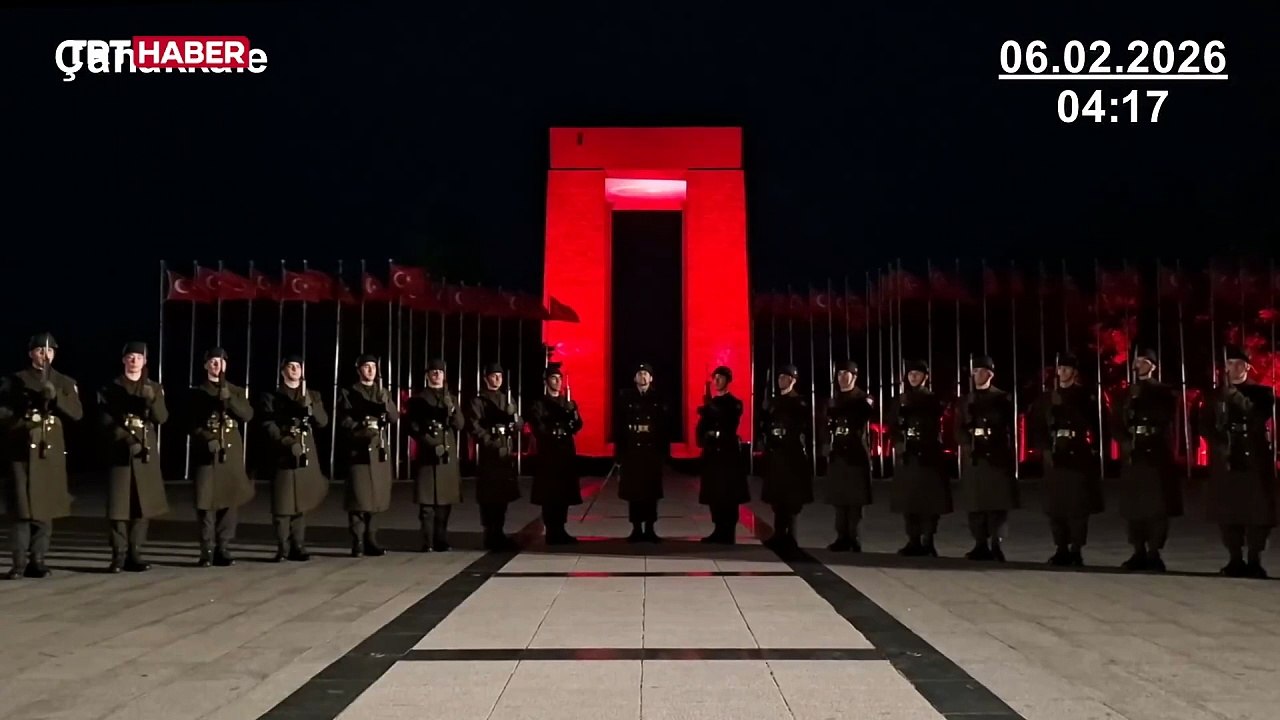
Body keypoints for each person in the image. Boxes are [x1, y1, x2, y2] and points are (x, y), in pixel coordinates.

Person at [0, 332, 83, 579]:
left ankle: (38, 560)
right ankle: (17, 563)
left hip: (50, 452)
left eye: (48, 351)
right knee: (21, 510)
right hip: (22, 451)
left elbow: (77, 414)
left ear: (54, 354)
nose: (44, 355)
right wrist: (23, 416)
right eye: (39, 350)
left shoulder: (65, 381)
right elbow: (2, 414)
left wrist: (56, 397)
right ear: (31, 353)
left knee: (45, 508)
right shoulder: (13, 380)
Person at [1199, 345, 1275, 578]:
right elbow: (1204, 423)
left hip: (1253, 456)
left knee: (1257, 510)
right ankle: (1234, 558)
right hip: (1227, 456)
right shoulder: (1215, 394)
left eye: (1238, 364)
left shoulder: (1262, 392)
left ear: (1247, 367)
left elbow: (1256, 415)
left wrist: (1232, 394)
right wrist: (1218, 443)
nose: (1233, 368)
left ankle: (1254, 559)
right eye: (1229, 364)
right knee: (1228, 511)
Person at [96, 341, 168, 572]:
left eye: (139, 357)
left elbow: (162, 418)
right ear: (124, 360)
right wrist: (125, 438)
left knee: (142, 505)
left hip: (144, 454)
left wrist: (152, 401)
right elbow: (104, 419)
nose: (134, 360)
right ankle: (119, 554)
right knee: (119, 506)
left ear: (145, 361)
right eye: (130, 356)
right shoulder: (110, 387)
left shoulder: (153, 387)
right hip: (121, 452)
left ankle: (135, 552)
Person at [1029, 352, 1103, 567]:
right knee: (1056, 506)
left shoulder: (1084, 396)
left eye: (1066, 368)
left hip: (1077, 453)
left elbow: (1096, 424)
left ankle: (1076, 549)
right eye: (1059, 368)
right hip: (1055, 454)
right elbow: (1037, 428)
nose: (1062, 372)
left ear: (1074, 372)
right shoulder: (1046, 398)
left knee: (1077, 506)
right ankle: (1060, 547)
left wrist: (1093, 449)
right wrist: (1044, 451)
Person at [1112, 349, 1181, 572]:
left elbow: (1164, 416)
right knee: (1135, 506)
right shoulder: (1126, 393)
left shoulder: (1163, 392)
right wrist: (1124, 442)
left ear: (1153, 366)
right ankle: (1138, 550)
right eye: (1137, 361)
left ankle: (1154, 552)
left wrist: (1142, 396)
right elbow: (1117, 422)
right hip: (1134, 452)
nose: (1139, 365)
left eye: (1144, 361)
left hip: (1155, 452)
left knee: (1156, 506)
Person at [188, 347, 254, 567]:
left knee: (229, 500)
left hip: (231, 453)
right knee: (205, 501)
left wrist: (230, 400)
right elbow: (190, 422)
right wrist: (207, 437)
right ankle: (206, 548)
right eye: (213, 361)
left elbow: (247, 415)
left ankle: (223, 546)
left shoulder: (235, 390)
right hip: (207, 453)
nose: (217, 365)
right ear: (206, 365)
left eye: (221, 361)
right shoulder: (197, 392)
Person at [260, 354, 329, 562]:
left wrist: (311, 405)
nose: (294, 370)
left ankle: (298, 545)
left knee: (301, 501)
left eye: (298, 366)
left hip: (305, 451)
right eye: (290, 367)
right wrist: (285, 441)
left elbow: (323, 422)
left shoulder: (312, 394)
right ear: (283, 371)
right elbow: (267, 423)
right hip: (284, 451)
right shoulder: (272, 396)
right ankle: (282, 546)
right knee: (283, 503)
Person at [953, 355, 1018, 561]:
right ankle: (979, 543)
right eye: (973, 372)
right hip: (974, 454)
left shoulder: (1002, 398)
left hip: (995, 454)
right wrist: (967, 441)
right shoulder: (966, 400)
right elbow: (958, 427)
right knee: (975, 502)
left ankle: (996, 543)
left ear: (989, 374)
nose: (976, 375)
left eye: (980, 371)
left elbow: (1009, 427)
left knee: (996, 503)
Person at [886, 360, 951, 556]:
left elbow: (939, 422)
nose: (913, 377)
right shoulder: (900, 400)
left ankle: (928, 539)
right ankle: (913, 540)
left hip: (929, 454)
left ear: (925, 377)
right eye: (910, 373)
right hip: (909, 453)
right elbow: (892, 426)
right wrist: (899, 443)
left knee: (930, 501)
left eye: (917, 373)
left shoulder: (933, 400)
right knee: (909, 500)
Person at [337, 354, 397, 557]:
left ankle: (372, 538)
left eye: (373, 367)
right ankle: (358, 540)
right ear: (359, 370)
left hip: (378, 450)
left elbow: (394, 418)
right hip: (359, 448)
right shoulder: (349, 392)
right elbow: (344, 419)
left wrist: (385, 403)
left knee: (377, 497)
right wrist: (361, 426)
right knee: (359, 498)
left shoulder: (381, 392)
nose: (371, 370)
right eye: (366, 367)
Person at [406, 358, 465, 551]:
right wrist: (431, 444)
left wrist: (453, 409)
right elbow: (412, 427)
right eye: (433, 372)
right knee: (427, 503)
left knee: (445, 502)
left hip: (447, 453)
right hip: (428, 455)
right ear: (427, 375)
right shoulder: (418, 399)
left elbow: (460, 425)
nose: (437, 375)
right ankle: (427, 541)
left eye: (440, 372)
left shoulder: (450, 398)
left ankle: (441, 539)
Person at [528, 363, 584, 544]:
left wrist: (572, 414)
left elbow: (577, 425)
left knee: (563, 494)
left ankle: (561, 528)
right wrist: (555, 429)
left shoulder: (567, 402)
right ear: (546, 381)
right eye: (554, 378)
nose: (558, 382)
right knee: (550, 495)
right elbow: (539, 426)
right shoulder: (539, 404)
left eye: (559, 378)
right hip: (549, 454)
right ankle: (551, 530)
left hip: (565, 453)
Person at [759, 363, 813, 551]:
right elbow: (766, 426)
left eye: (786, 377)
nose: (781, 380)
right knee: (777, 498)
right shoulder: (774, 401)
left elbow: (801, 427)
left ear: (793, 380)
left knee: (791, 500)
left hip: (792, 455)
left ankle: (791, 537)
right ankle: (779, 534)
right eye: (780, 377)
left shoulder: (799, 402)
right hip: (776, 455)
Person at [468, 362, 521, 551]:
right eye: (494, 376)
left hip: (504, 455)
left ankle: (499, 532)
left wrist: (516, 424)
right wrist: (491, 442)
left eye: (500, 376)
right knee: (489, 498)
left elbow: (517, 419)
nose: (497, 379)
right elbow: (475, 426)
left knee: (502, 497)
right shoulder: (479, 400)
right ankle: (490, 534)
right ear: (486, 378)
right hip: (489, 456)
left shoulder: (506, 399)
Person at [822, 360, 873, 551]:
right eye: (840, 374)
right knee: (839, 499)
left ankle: (854, 537)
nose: (842, 377)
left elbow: (863, 415)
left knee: (855, 501)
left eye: (847, 374)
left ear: (854, 376)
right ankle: (841, 536)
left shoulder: (863, 398)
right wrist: (826, 443)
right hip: (838, 453)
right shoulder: (834, 399)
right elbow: (825, 424)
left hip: (855, 453)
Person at [614, 363, 667, 542]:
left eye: (646, 374)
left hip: (651, 451)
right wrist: (619, 454)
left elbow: (664, 426)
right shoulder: (625, 397)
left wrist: (663, 453)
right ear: (634, 378)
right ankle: (636, 528)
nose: (643, 377)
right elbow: (619, 427)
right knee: (634, 492)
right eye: (639, 373)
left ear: (651, 378)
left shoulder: (658, 397)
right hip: (632, 451)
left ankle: (650, 528)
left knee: (651, 492)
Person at [696, 366, 747, 544]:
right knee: (714, 494)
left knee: (729, 495)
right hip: (713, 454)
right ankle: (718, 529)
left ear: (727, 380)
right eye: (715, 378)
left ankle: (728, 531)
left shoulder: (734, 402)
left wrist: (710, 407)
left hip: (728, 455)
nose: (716, 381)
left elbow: (728, 421)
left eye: (720, 378)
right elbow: (702, 428)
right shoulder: (712, 404)